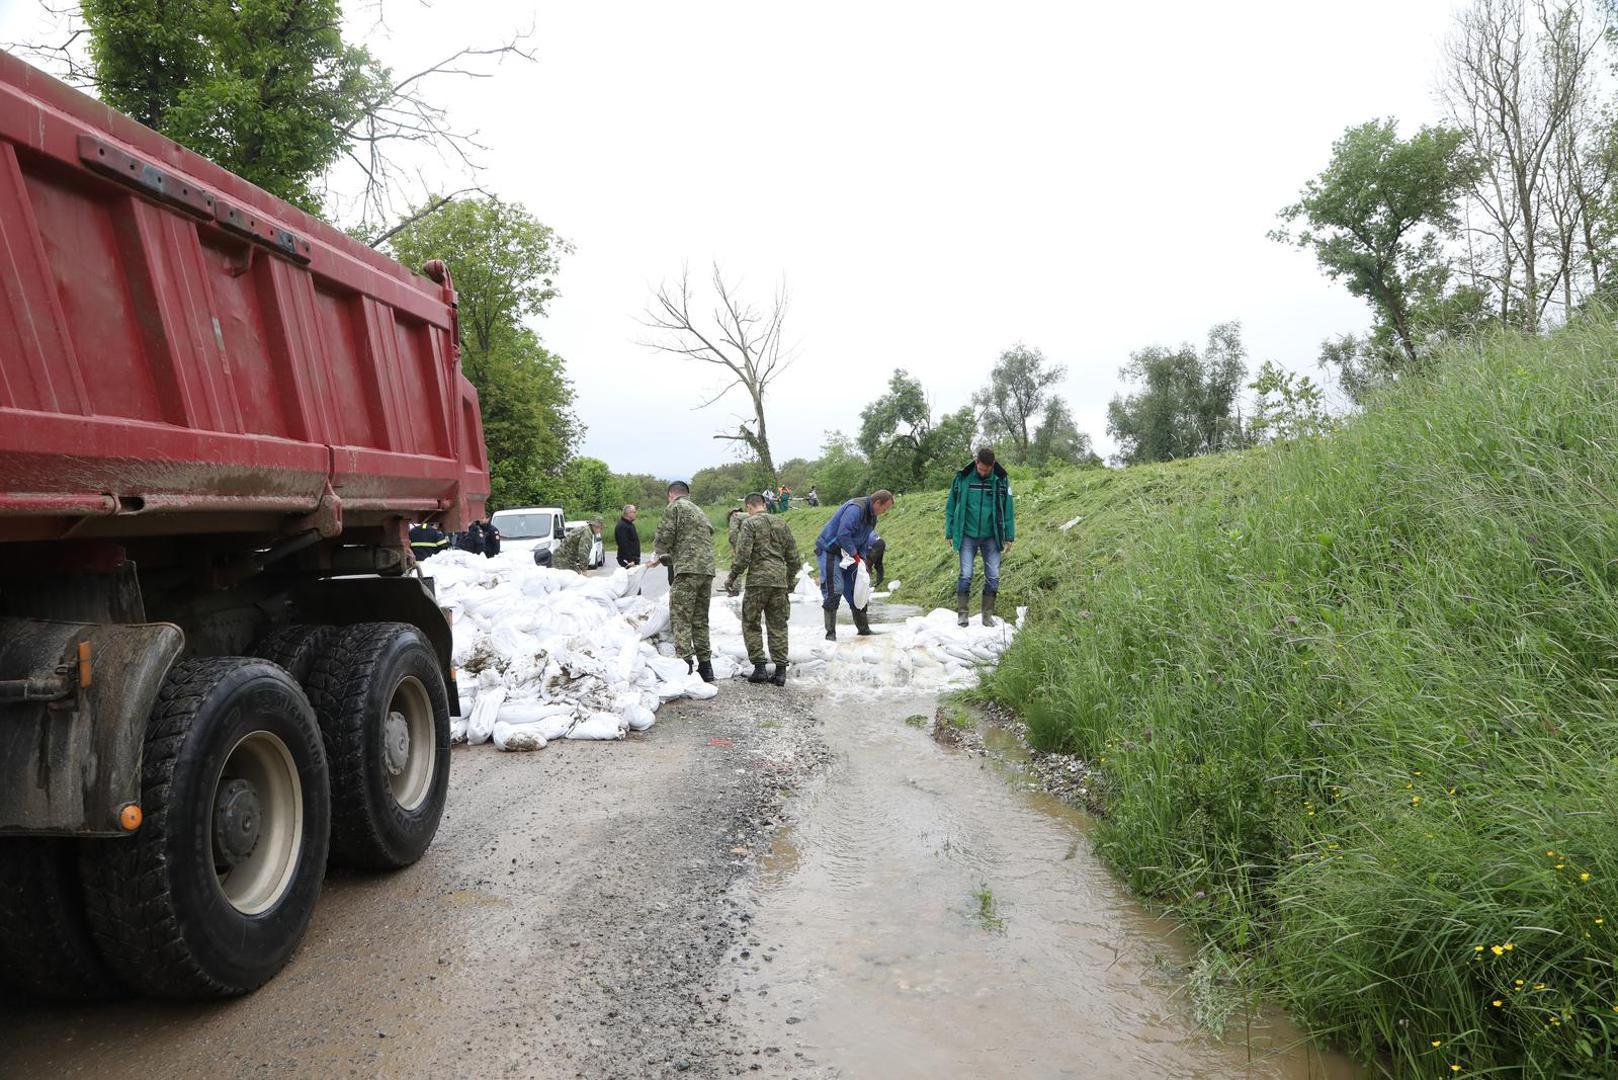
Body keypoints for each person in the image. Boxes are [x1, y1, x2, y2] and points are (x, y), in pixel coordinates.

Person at [726, 492, 800, 685]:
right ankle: (780, 670)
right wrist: (789, 581)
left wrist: (732, 577)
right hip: (778, 581)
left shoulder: (749, 524)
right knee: (778, 625)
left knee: (751, 623)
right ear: (764, 505)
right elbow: (793, 557)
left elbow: (743, 557)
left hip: (757, 582)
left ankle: (759, 668)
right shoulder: (781, 523)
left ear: (749, 507)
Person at [650, 481, 717, 682]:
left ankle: (685, 666)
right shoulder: (699, 511)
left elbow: (665, 537)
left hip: (687, 573)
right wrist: (665, 560)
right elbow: (692, 547)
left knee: (680, 618)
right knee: (700, 619)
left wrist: (657, 554)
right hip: (706, 572)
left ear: (671, 494)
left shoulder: (675, 507)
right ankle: (706, 668)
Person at [946, 445, 1016, 627]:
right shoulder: (962, 477)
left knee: (993, 576)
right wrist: (950, 531)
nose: (984, 472)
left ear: (993, 465)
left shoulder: (1001, 479)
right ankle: (962, 614)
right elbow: (951, 505)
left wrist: (1009, 535)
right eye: (981, 469)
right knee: (966, 574)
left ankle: (987, 616)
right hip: (967, 534)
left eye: (988, 469)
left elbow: (1008, 508)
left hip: (991, 535)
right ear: (976, 462)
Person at [813, 489, 894, 641]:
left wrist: (862, 561)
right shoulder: (856, 509)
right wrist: (854, 554)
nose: (885, 511)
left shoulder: (872, 517)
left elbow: (863, 540)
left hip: (849, 554)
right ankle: (830, 634)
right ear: (877, 502)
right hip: (831, 550)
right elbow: (843, 534)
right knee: (835, 588)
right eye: (885, 508)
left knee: (858, 588)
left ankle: (863, 629)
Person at [614, 504, 642, 569]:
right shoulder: (622, 526)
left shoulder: (629, 524)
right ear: (628, 513)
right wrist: (630, 560)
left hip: (633, 559)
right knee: (629, 578)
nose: (636, 514)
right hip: (627, 560)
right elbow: (623, 544)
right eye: (634, 512)